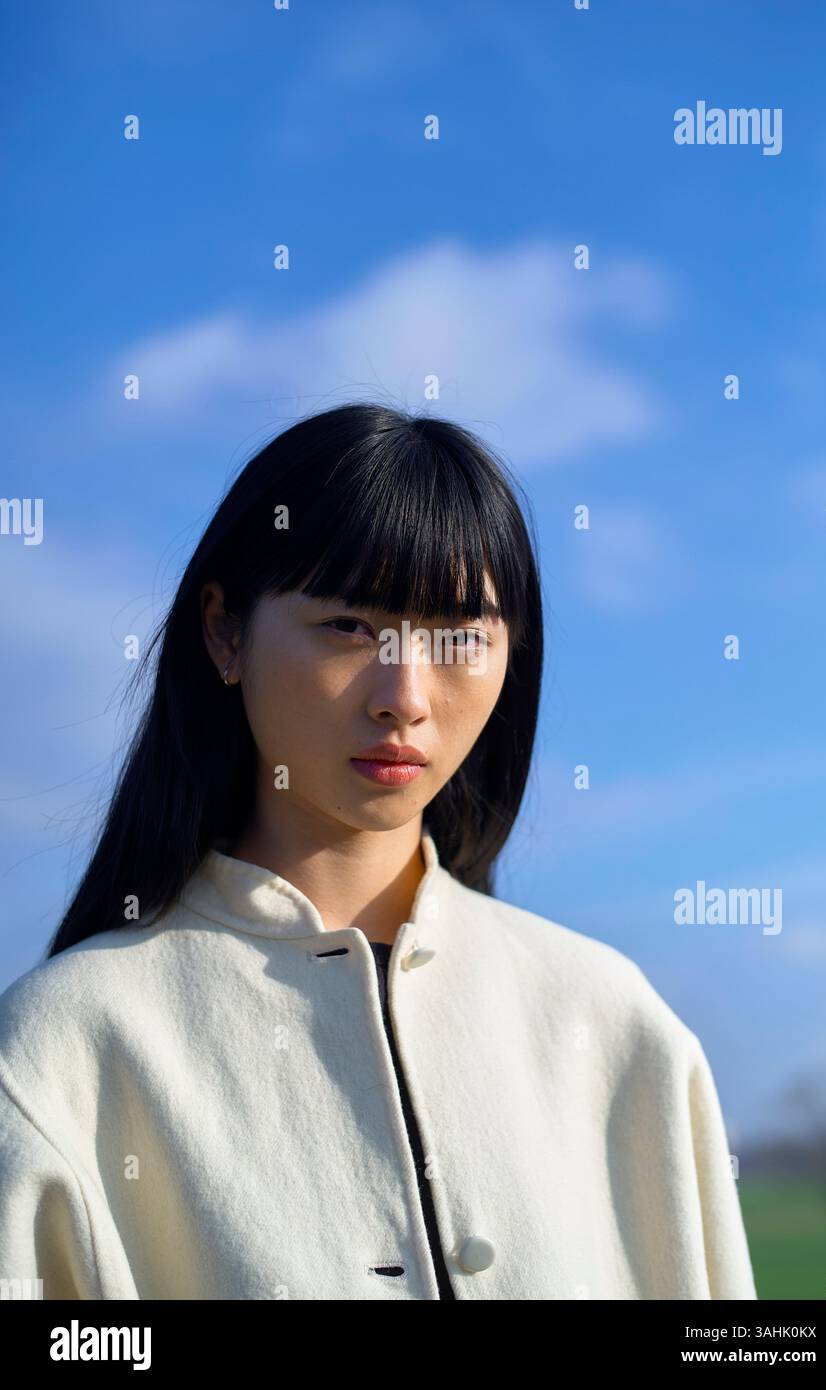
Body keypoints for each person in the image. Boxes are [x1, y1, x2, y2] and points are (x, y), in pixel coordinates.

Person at [0, 402, 757, 1300]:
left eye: (458, 637)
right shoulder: (65, 1051)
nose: (405, 695)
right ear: (224, 631)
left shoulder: (617, 1025)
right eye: (349, 626)